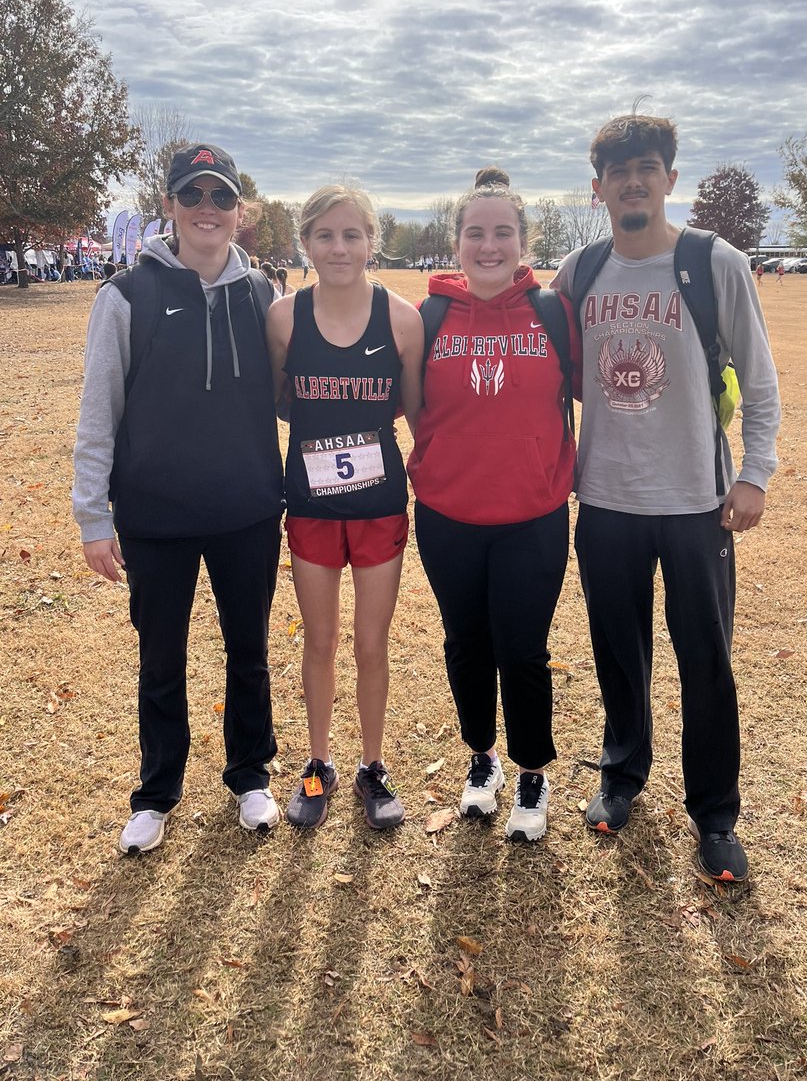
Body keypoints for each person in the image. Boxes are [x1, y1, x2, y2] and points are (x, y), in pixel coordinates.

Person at [552, 113, 780, 881]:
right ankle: (622, 777)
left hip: (696, 502)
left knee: (706, 662)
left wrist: (755, 472)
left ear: (669, 178)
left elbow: (760, 378)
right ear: (599, 189)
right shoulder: (578, 271)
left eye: (646, 167)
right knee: (620, 655)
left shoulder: (715, 263)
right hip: (606, 501)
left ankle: (715, 816)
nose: (633, 182)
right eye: (618, 173)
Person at [72, 143, 285, 855]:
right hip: (155, 517)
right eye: (191, 196)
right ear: (168, 206)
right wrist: (93, 516)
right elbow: (98, 412)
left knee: (249, 651)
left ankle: (250, 775)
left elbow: (296, 392)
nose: (206, 209)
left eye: (220, 197)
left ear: (239, 213)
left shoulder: (265, 293)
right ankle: (157, 792)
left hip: (248, 509)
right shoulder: (125, 295)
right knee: (161, 658)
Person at [407, 171, 578, 843]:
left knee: (524, 650)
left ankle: (532, 770)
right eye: (475, 232)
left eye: (502, 231)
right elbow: (413, 409)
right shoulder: (430, 317)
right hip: (448, 516)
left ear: (522, 240)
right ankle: (483, 761)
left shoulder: (554, 313)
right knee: (466, 644)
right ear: (456, 242)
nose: (488, 244)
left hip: (532, 517)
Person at [266, 185, 423, 832]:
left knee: (370, 642)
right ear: (306, 243)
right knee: (322, 639)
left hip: (380, 506)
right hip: (309, 506)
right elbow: (282, 403)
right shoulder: (282, 318)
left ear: (371, 241)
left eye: (352, 235)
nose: (339, 247)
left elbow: (410, 405)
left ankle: (374, 765)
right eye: (325, 236)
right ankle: (320, 762)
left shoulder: (402, 319)